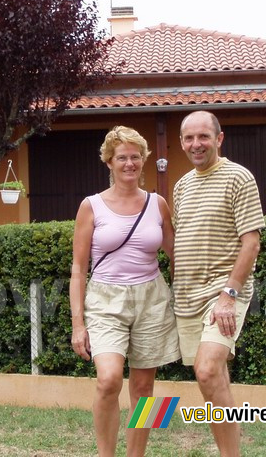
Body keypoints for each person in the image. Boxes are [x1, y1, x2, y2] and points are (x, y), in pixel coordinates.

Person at [70, 126, 180, 457]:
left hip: (152, 298)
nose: (129, 163)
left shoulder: (158, 204)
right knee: (108, 379)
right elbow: (77, 269)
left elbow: (176, 257)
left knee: (146, 388)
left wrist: (193, 298)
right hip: (105, 299)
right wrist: (78, 325)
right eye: (122, 157)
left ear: (144, 160)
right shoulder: (90, 206)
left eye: (135, 157)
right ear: (109, 161)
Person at [172, 111, 265, 457]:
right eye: (189, 138)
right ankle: (231, 445)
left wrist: (230, 294)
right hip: (187, 297)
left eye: (203, 137)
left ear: (219, 138)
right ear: (182, 142)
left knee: (208, 371)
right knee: (213, 378)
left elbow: (251, 242)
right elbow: (182, 239)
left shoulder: (239, 178)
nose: (196, 144)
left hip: (223, 294)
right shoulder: (181, 186)